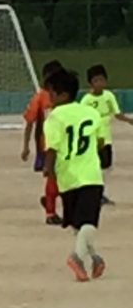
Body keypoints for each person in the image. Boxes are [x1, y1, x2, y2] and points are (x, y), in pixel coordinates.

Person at [42, 69, 107, 282]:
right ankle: (78, 257)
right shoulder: (91, 113)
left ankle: (94, 258)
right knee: (87, 223)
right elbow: (100, 143)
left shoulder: (54, 117)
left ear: (63, 95)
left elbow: (51, 149)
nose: (49, 98)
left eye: (51, 93)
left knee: (79, 224)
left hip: (67, 177)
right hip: (90, 175)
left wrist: (48, 170)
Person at [80, 64, 132, 205]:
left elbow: (117, 113)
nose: (99, 83)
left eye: (101, 80)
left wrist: (129, 120)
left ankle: (99, 191)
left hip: (106, 137)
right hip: (92, 137)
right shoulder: (86, 100)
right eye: (96, 81)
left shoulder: (109, 96)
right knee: (94, 165)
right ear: (90, 83)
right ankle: (94, 193)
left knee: (106, 165)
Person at [22, 60, 64, 225]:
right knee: (53, 176)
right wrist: (26, 147)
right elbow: (30, 122)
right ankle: (50, 211)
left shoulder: (65, 96)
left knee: (62, 176)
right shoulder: (40, 98)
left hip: (64, 143)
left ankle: (49, 200)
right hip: (48, 144)